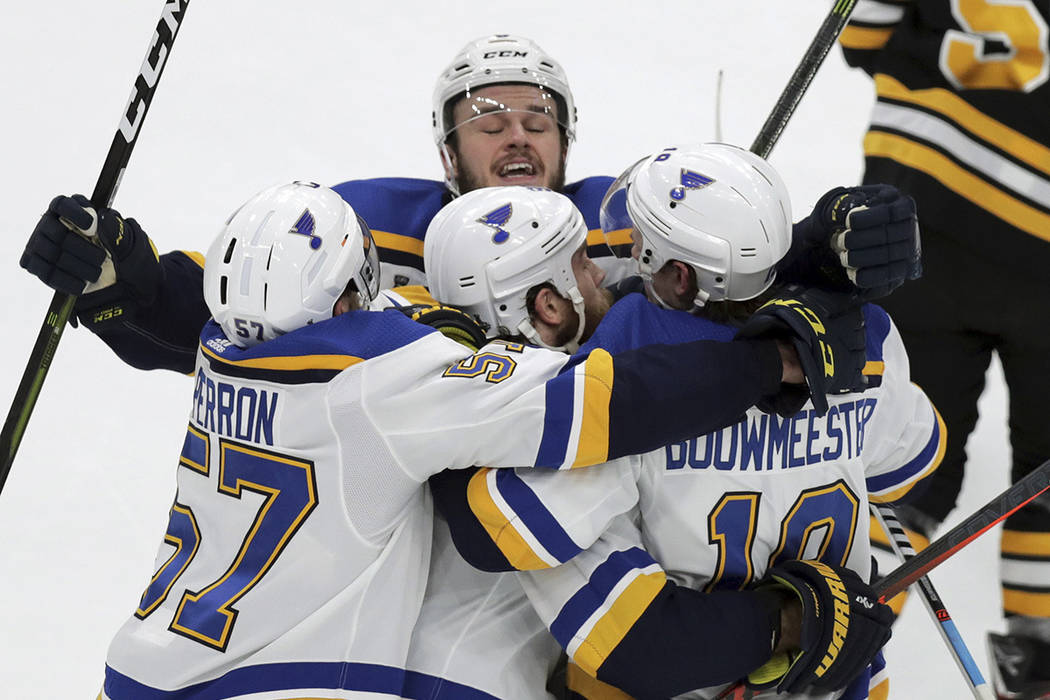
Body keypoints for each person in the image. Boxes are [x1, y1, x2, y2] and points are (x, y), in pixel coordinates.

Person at [98, 180, 862, 699]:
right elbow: (604, 405)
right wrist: (773, 359)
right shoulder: (399, 382)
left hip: (144, 667)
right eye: (583, 271)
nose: (604, 282)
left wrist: (124, 291)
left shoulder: (221, 349)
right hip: (287, 680)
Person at [19, 33, 921, 376]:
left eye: (538, 118)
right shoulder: (366, 220)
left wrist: (826, 246)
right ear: (448, 151)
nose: (517, 135)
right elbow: (230, 309)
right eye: (488, 120)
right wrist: (122, 277)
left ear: (568, 143)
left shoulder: (628, 217)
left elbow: (745, 274)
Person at [424, 146, 940, 698]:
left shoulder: (610, 381)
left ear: (677, 276)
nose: (612, 265)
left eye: (639, 245)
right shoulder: (866, 338)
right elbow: (912, 462)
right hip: (836, 676)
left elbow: (504, 523)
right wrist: (809, 279)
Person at [839, 4, 1050, 696]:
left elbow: (859, 35)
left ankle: (828, 651)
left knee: (901, 472)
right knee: (1047, 483)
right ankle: (1039, 668)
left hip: (917, 232)